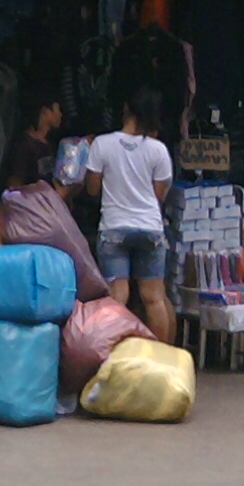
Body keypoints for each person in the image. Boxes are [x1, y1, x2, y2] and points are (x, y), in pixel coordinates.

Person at [85, 89, 177, 346]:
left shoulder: (102, 144)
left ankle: (113, 354)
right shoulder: (158, 150)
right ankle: (162, 358)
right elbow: (159, 195)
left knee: (117, 296)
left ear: (126, 109)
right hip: (150, 228)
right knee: (154, 298)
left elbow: (92, 189)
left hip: (114, 228)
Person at [3, 91, 64, 191]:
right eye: (58, 109)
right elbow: (14, 185)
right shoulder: (23, 145)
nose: (60, 114)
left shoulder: (50, 143)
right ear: (45, 111)